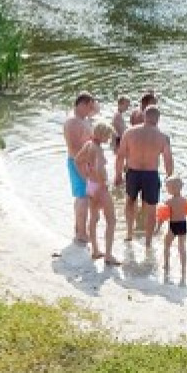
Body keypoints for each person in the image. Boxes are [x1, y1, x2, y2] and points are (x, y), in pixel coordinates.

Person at [115, 105, 174, 247]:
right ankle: (148, 241)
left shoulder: (130, 132)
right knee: (151, 209)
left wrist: (118, 174)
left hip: (133, 172)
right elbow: (168, 160)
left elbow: (120, 155)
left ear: (144, 116)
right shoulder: (162, 137)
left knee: (130, 202)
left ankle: (129, 234)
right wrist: (169, 176)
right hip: (151, 174)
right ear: (158, 119)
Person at [77, 121, 120, 265]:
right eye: (107, 136)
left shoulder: (88, 145)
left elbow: (78, 160)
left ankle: (95, 250)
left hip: (91, 185)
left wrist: (86, 176)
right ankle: (108, 255)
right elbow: (99, 168)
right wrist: (103, 184)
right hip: (100, 187)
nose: (108, 139)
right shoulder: (98, 149)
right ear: (102, 135)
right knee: (111, 221)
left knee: (94, 218)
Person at [64, 92, 97, 244]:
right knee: (82, 198)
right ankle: (82, 233)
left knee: (84, 197)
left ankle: (79, 229)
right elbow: (74, 146)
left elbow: (96, 111)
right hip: (78, 162)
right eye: (89, 106)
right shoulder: (73, 121)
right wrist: (84, 166)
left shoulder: (82, 119)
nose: (91, 110)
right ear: (82, 104)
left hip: (84, 162)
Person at [161, 177, 187, 284]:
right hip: (183, 225)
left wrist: (157, 228)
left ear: (174, 188)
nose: (167, 189)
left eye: (168, 187)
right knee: (182, 248)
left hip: (173, 225)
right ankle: (183, 268)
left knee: (166, 245)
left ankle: (166, 264)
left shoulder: (169, 202)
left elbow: (163, 217)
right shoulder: (186, 201)